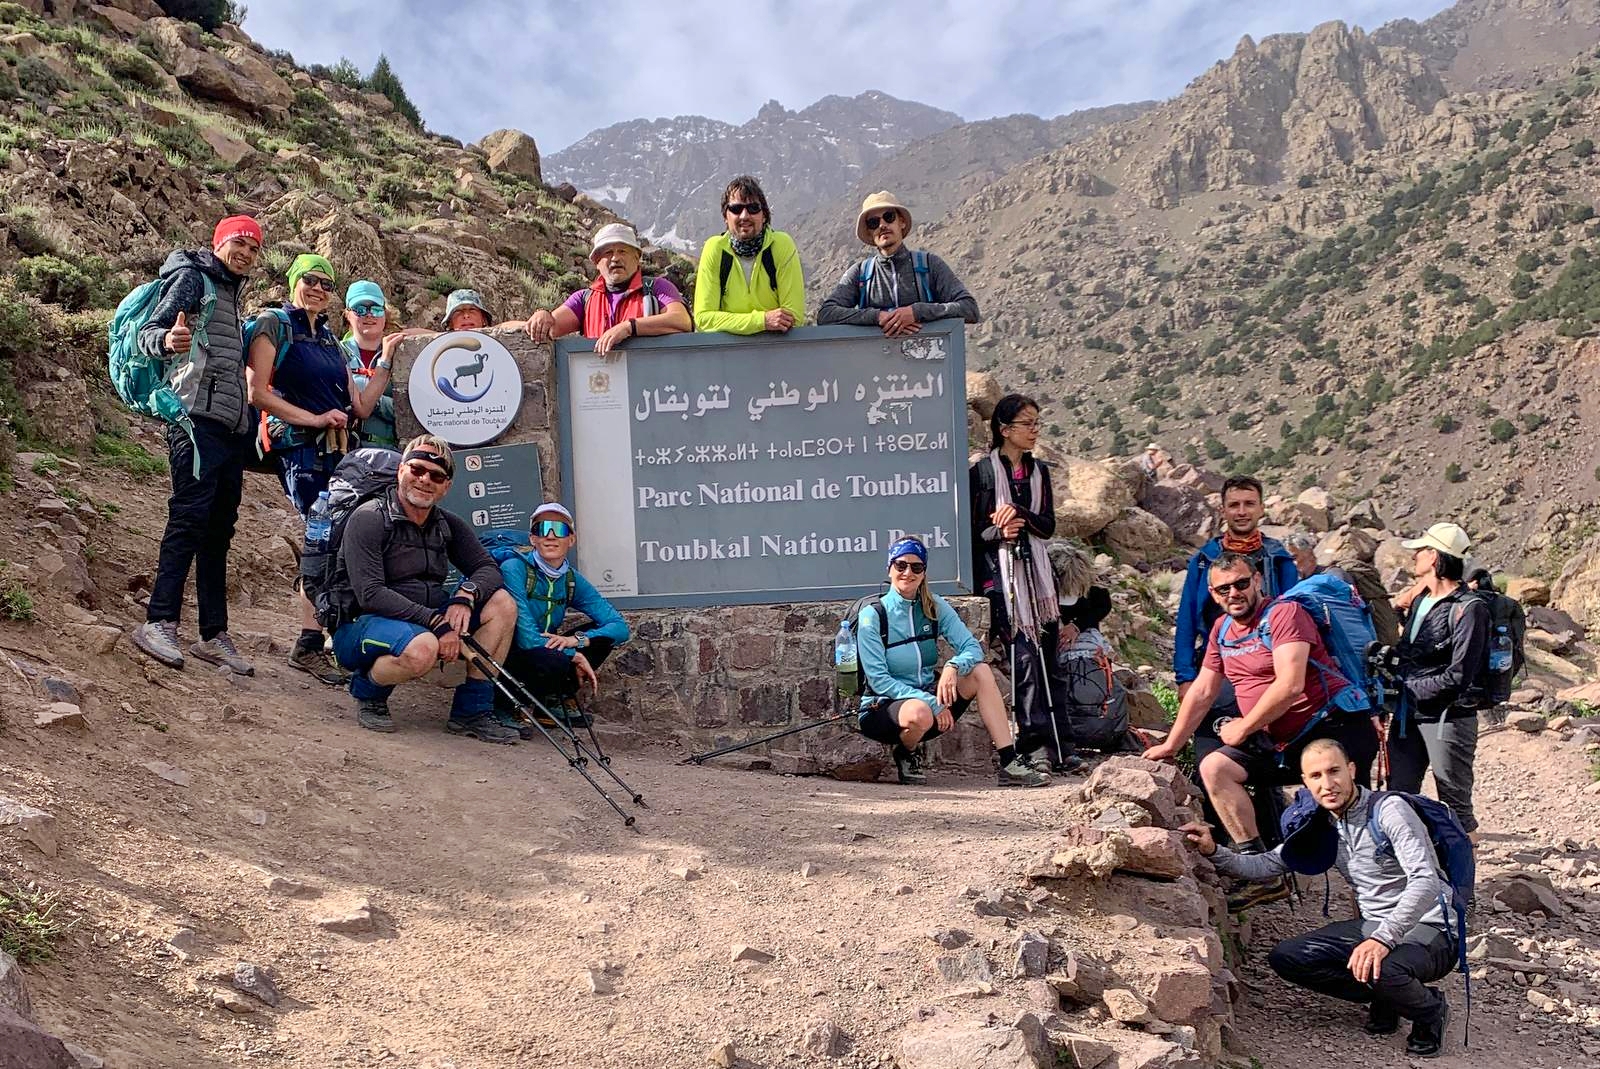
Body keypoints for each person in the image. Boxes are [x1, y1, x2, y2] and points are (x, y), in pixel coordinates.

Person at [1184, 739, 1456, 1058]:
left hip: (1431, 928)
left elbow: (1425, 881)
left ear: (1351, 770)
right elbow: (1265, 864)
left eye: (1334, 771)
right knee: (1289, 957)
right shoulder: (1322, 822)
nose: (1327, 784)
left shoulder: (1389, 810)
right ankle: (1389, 996)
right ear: (1305, 781)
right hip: (1374, 926)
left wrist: (1383, 939)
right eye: (1316, 776)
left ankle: (1429, 1011)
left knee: (1386, 967)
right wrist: (1213, 851)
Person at [1147, 552, 1380, 905]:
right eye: (1223, 589)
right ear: (1213, 594)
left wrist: (1244, 727)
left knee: (1350, 823)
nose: (1233, 593)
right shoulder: (1222, 630)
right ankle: (1261, 874)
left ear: (1257, 580)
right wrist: (1171, 745)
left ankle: (1382, 903)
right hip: (1284, 742)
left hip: (1333, 730)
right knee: (1216, 768)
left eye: (1241, 583)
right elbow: (1204, 690)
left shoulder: (1285, 614)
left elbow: (1290, 684)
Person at [247, 254, 389, 684]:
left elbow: (360, 407)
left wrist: (387, 360)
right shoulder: (273, 324)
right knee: (320, 539)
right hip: (302, 453)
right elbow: (258, 393)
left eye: (326, 284)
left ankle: (327, 636)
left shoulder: (328, 339)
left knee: (337, 539)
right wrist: (314, 419)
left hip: (334, 453)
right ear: (293, 281)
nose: (318, 289)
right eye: (309, 280)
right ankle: (309, 644)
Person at [131, 215, 263, 675]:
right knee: (189, 519)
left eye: (254, 248)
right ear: (219, 242)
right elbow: (147, 334)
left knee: (219, 530)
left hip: (229, 428)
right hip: (195, 422)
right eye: (239, 243)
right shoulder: (192, 277)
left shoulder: (230, 292)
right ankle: (159, 621)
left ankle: (212, 634)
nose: (246, 253)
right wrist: (168, 340)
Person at [329, 435, 520, 742]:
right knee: (423, 649)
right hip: (361, 624)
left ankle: (472, 711)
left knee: (502, 605)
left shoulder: (447, 524)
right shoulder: (369, 518)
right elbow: (370, 593)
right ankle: (368, 692)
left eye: (436, 476)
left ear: (446, 486)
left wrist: (465, 595)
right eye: (417, 470)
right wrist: (436, 622)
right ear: (401, 471)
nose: (425, 480)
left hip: (426, 619)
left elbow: (487, 568)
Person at [856, 537, 1048, 789]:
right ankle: (907, 752)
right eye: (900, 565)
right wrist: (933, 703)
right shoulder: (873, 615)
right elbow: (879, 681)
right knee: (920, 713)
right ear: (889, 568)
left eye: (916, 567)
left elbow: (972, 648)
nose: (908, 573)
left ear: (924, 572)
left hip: (931, 705)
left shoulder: (934, 606)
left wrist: (953, 666)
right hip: (882, 708)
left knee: (980, 672)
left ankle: (1009, 762)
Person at [968, 393, 1084, 775]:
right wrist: (999, 531)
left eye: (1037, 423)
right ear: (1005, 429)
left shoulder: (1039, 473)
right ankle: (1033, 748)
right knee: (1024, 660)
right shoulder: (982, 473)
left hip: (1038, 577)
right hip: (1001, 578)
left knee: (1050, 661)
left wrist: (1019, 513)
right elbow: (971, 532)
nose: (1035, 431)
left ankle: (1062, 747)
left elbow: (1046, 526)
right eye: (1027, 424)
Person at [1172, 476, 1300, 800]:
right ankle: (1215, 828)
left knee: (1263, 759)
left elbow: (1296, 613)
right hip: (1215, 669)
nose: (1241, 511)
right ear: (1223, 510)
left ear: (1261, 508)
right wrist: (1185, 676)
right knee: (1209, 756)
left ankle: (1269, 827)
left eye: (1249, 504)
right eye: (1234, 505)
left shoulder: (1279, 558)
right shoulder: (1205, 559)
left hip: (1267, 672)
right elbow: (1187, 618)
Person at [1386, 523, 1489, 837]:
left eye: (1421, 550)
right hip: (1408, 714)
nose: (1414, 556)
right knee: (1397, 796)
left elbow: (1459, 676)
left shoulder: (1470, 609)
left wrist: (1406, 688)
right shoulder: (1420, 600)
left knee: (1454, 804)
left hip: (1449, 716)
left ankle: (1465, 866)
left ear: (1434, 556)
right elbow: (1409, 652)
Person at [493, 503, 631, 737]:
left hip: (544, 651)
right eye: (542, 529)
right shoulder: (514, 568)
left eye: (559, 529)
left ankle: (551, 704)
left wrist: (576, 641)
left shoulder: (570, 579)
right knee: (553, 660)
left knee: (601, 640)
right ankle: (504, 706)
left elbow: (619, 627)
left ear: (571, 539)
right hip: (509, 652)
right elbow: (527, 639)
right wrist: (573, 654)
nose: (550, 536)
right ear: (533, 538)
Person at [816, 191, 979, 332]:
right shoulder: (860, 273)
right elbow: (826, 314)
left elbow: (969, 309)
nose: (882, 225)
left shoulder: (930, 265)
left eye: (889, 217)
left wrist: (916, 312)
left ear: (901, 222)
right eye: (874, 222)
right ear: (870, 232)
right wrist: (877, 317)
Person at [522, 224, 691, 356]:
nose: (615, 258)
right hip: (603, 385)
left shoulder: (657, 288)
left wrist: (629, 327)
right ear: (596, 262)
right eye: (608, 253)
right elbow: (550, 328)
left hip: (647, 384)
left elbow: (682, 321)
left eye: (623, 251)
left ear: (637, 257)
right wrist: (541, 315)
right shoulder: (584, 298)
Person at [691, 175, 805, 335]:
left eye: (753, 208)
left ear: (764, 216)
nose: (744, 216)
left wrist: (733, 323)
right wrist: (762, 321)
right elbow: (703, 319)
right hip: (730, 350)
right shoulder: (715, 249)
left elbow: (794, 317)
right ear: (725, 217)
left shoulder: (781, 245)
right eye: (736, 209)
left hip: (775, 349)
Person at [341, 280, 422, 451]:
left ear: (385, 314)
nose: (369, 315)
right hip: (345, 452)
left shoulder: (401, 353)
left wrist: (372, 400)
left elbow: (414, 409)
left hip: (392, 452)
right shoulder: (337, 352)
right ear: (347, 314)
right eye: (360, 309)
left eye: (376, 309)